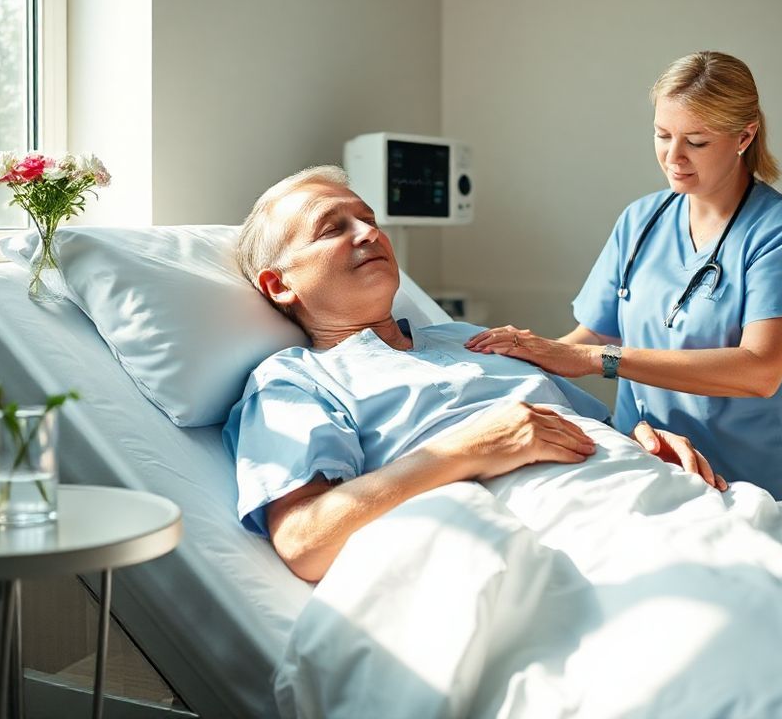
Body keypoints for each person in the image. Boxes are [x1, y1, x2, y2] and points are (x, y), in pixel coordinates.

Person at [223, 166, 726, 582]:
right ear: (279, 284)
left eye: (369, 220)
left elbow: (584, 425)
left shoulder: (466, 336)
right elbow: (304, 540)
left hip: (662, 499)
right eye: (334, 228)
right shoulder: (296, 381)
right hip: (566, 544)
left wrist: (640, 440)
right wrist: (470, 448)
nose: (371, 233)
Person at [466, 51, 782, 502]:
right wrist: (517, 359)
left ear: (745, 136)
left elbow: (759, 371)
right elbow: (592, 336)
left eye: (697, 141)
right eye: (662, 135)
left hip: (760, 476)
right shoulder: (640, 220)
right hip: (653, 465)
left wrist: (599, 361)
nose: (674, 156)